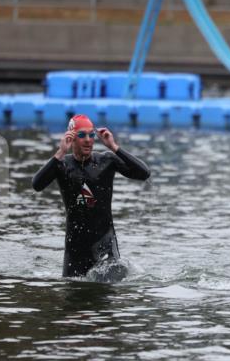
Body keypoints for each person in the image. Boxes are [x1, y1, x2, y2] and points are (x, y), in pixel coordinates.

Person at [32, 114, 151, 279]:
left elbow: (144, 173)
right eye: (81, 135)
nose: (88, 139)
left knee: (107, 295)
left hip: (105, 245)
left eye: (91, 134)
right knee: (73, 296)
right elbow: (36, 185)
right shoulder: (62, 165)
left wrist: (114, 147)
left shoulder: (107, 161)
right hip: (76, 248)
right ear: (71, 138)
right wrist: (60, 153)